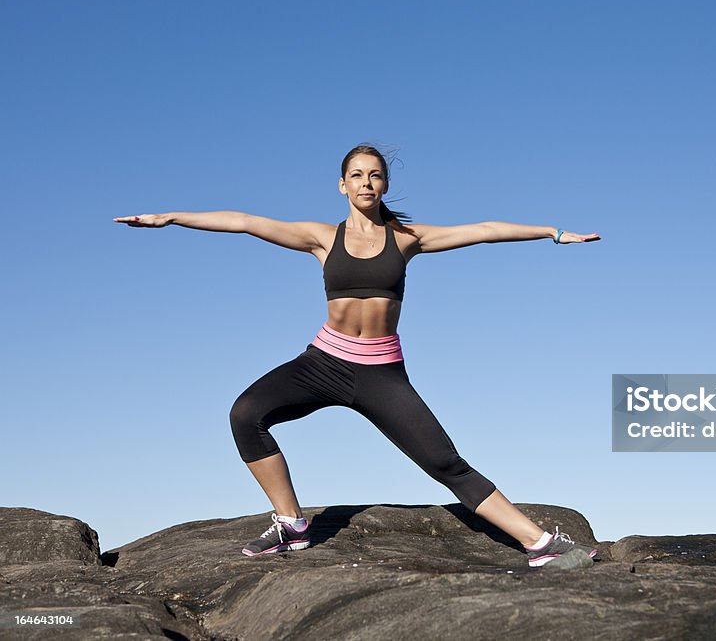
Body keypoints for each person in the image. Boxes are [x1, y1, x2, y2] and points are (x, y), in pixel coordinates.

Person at [114, 144, 601, 568]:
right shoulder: (322, 238)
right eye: (357, 175)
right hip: (323, 363)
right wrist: (171, 217)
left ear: (384, 184)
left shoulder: (409, 239)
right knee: (246, 413)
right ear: (342, 185)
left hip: (381, 374)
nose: (366, 182)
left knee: (445, 463)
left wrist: (552, 232)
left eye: (375, 175)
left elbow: (487, 228)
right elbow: (246, 222)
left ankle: (540, 543)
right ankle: (290, 523)